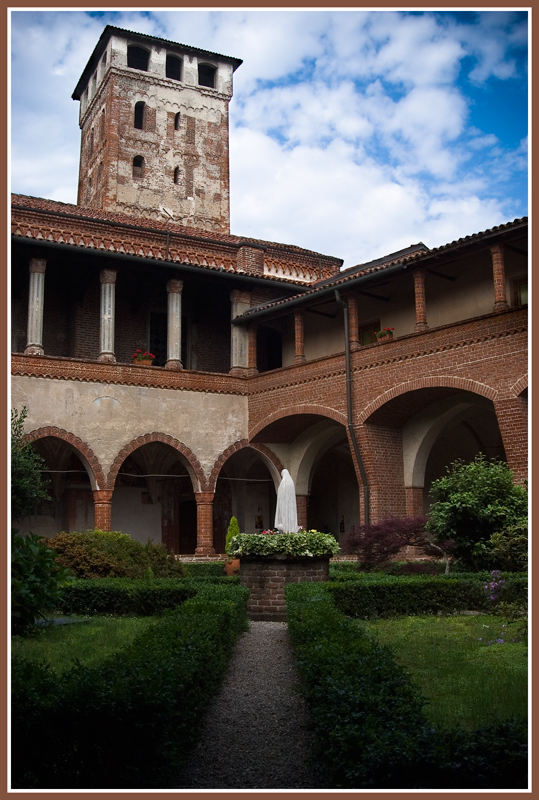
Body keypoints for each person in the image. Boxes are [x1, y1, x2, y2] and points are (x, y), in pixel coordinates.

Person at [274, 469, 299, 533]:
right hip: (291, 504)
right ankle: (291, 529)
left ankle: (285, 529)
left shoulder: (283, 483)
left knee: (284, 516)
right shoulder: (291, 483)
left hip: (284, 504)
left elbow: (280, 494)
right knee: (290, 516)